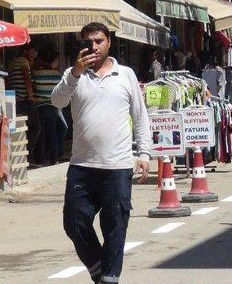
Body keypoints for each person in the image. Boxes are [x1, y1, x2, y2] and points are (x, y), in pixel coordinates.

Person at [51, 22, 151, 284]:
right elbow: (56, 101)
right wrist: (75, 72)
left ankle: (109, 278)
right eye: (88, 42)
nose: (93, 47)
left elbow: (140, 117)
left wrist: (144, 154)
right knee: (73, 223)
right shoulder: (74, 76)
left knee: (115, 226)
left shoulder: (126, 74)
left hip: (117, 167)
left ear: (109, 43)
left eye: (98, 41)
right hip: (82, 165)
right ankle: (100, 271)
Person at [32, 49, 67, 165]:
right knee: (52, 132)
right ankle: (54, 158)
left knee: (41, 133)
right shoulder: (58, 74)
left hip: (39, 106)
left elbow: (33, 88)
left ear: (41, 59)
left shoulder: (35, 73)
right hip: (53, 106)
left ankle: (40, 159)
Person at [7, 44, 40, 162]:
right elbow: (27, 77)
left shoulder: (12, 63)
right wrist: (31, 96)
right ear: (26, 51)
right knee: (35, 127)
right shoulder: (23, 61)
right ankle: (27, 155)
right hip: (25, 99)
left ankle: (21, 155)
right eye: (32, 51)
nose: (34, 53)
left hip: (15, 100)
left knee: (20, 128)